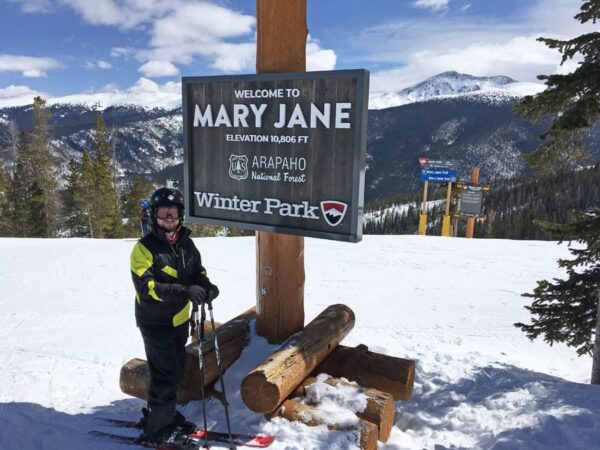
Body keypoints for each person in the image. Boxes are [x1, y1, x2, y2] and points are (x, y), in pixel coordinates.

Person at [130, 187, 219, 444]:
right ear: (153, 216)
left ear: (180, 215)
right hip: (155, 321)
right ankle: (157, 429)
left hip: (179, 321)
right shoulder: (144, 249)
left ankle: (162, 416)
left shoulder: (187, 244)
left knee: (176, 370)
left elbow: (197, 273)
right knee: (164, 374)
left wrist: (206, 287)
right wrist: (185, 292)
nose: (168, 219)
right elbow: (147, 289)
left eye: (173, 213)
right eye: (163, 213)